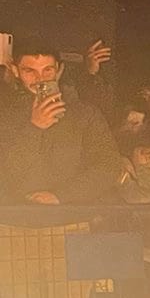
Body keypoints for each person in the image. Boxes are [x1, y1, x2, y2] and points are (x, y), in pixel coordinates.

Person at [0, 40, 121, 204]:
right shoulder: (5, 115)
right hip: (15, 221)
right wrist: (34, 128)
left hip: (72, 219)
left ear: (59, 70)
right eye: (29, 71)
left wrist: (62, 196)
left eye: (47, 70)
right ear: (15, 71)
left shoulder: (85, 113)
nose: (39, 78)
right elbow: (6, 172)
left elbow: (108, 166)